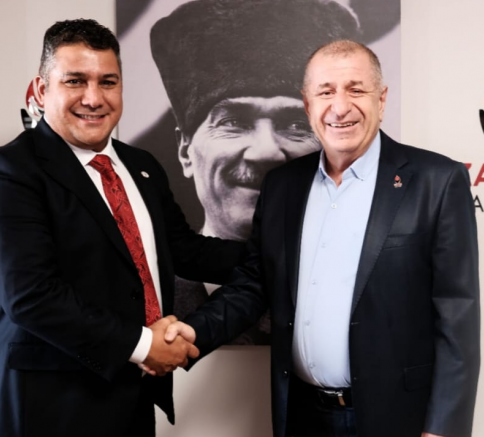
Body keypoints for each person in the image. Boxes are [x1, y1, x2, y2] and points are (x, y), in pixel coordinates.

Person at [164, 40, 481, 437]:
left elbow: (457, 318)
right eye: (326, 92)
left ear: (382, 99)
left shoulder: (437, 181)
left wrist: (444, 429)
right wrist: (193, 332)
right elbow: (254, 284)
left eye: (356, 90)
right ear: (308, 104)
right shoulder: (283, 186)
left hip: (396, 417)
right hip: (302, 414)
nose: (340, 107)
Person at [0, 19, 244, 437]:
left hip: (132, 398)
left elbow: (184, 250)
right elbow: (31, 297)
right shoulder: (6, 172)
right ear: (41, 90)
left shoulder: (141, 166)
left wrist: (284, 249)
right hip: (46, 410)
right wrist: (145, 345)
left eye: (107, 82)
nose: (94, 98)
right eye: (75, 81)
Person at [149, 0, 361, 344]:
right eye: (234, 121)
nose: (266, 151)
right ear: (185, 150)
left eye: (295, 124)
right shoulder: (140, 299)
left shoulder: (361, 278)